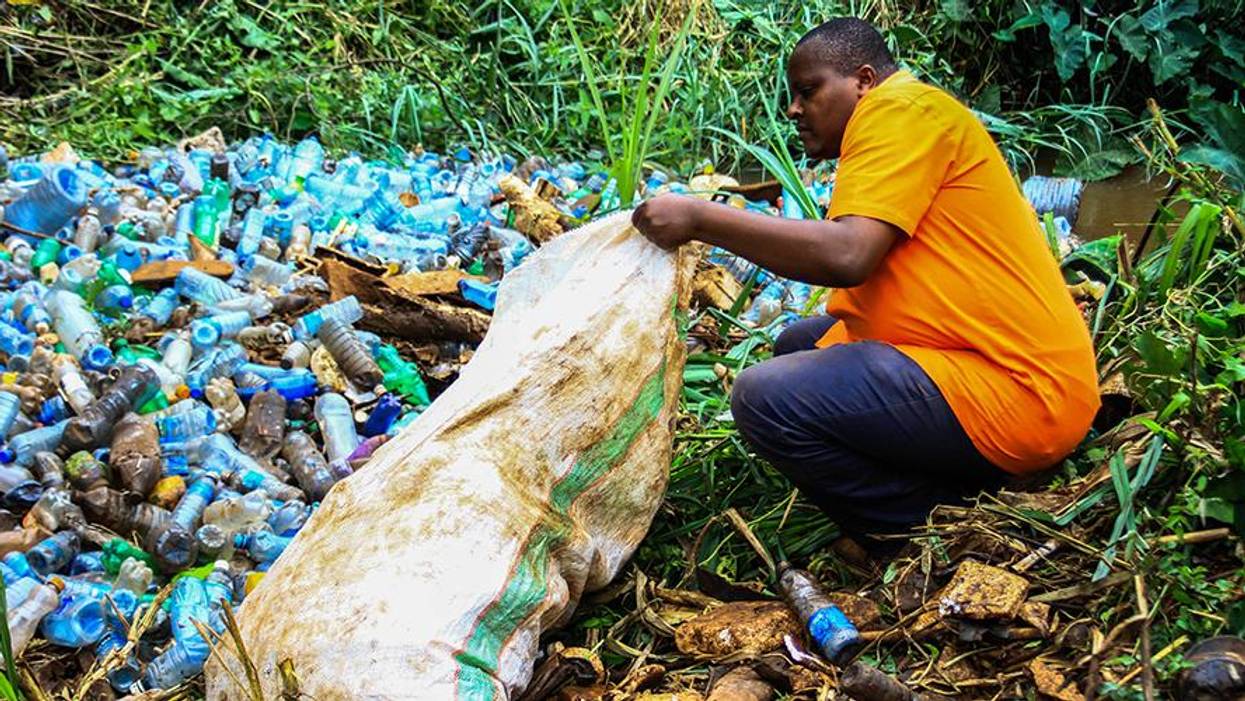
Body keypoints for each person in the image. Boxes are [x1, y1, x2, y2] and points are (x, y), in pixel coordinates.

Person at [630, 17, 1100, 553]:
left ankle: (916, 528)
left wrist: (700, 218)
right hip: (1003, 371)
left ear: (864, 80)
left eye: (809, 91)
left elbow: (847, 254)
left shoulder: (898, 111)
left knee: (763, 397)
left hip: (1023, 394)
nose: (794, 109)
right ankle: (958, 486)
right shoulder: (905, 118)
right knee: (799, 342)